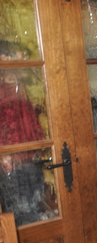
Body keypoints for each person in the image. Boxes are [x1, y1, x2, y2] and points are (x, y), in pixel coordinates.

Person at [0, 40, 49, 226]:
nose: (24, 60)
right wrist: (4, 155)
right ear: (4, 58)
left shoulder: (18, 85)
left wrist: (39, 143)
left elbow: (28, 118)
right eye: (18, 55)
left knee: (34, 204)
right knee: (21, 212)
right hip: (12, 160)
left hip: (29, 155)